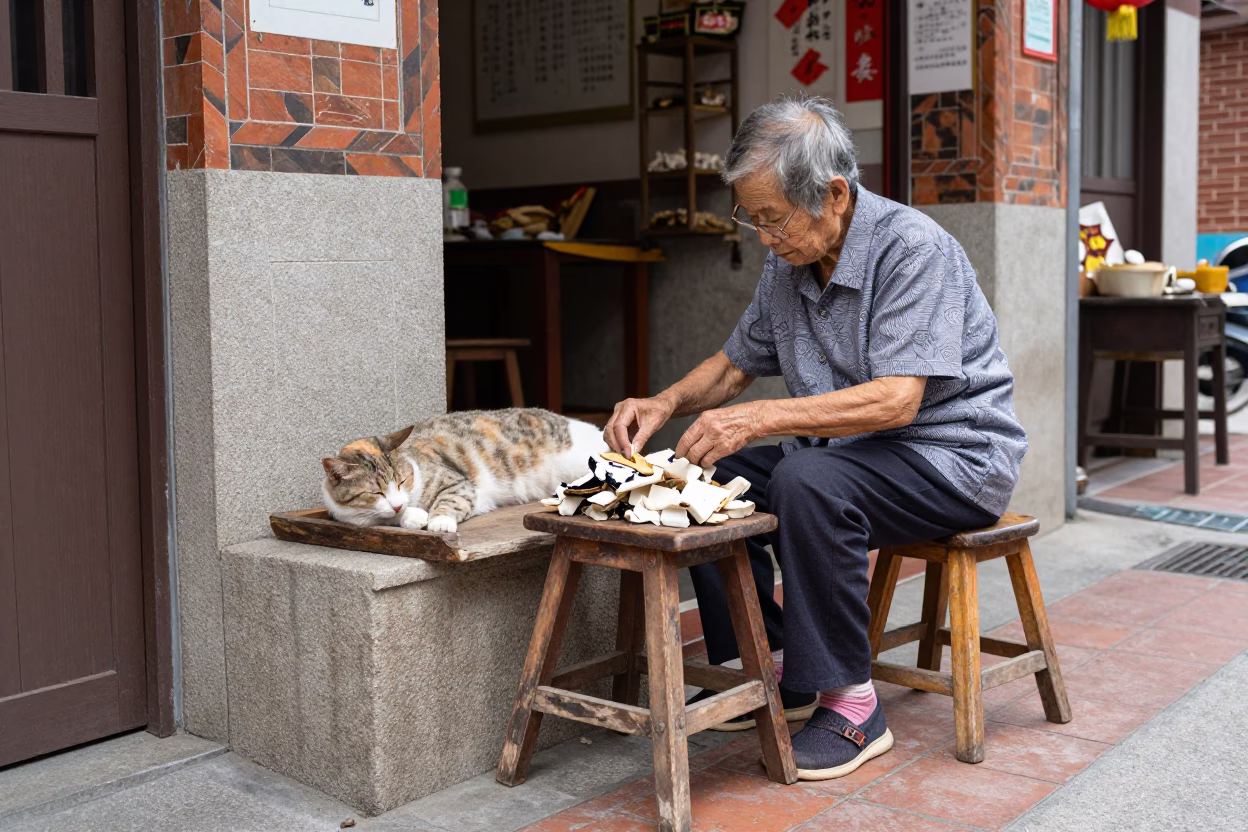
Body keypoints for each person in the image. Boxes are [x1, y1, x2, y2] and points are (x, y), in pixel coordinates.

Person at [602, 95, 1026, 781]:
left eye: (774, 218)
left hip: (953, 457)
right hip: (853, 455)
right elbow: (738, 363)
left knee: (808, 482)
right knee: (705, 468)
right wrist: (666, 402)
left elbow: (897, 400)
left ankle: (854, 706)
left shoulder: (913, 249)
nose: (764, 236)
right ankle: (775, 664)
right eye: (754, 218)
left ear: (833, 194)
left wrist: (766, 418)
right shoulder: (791, 259)